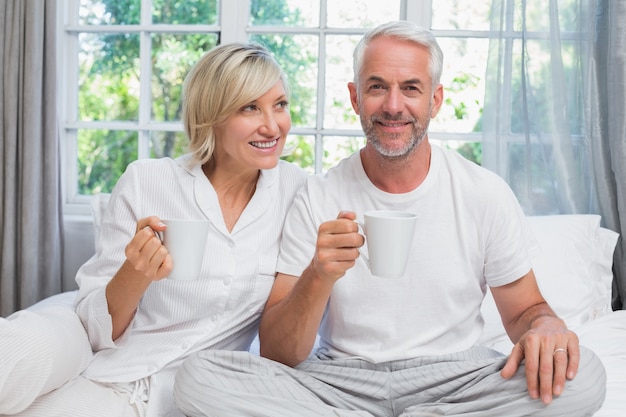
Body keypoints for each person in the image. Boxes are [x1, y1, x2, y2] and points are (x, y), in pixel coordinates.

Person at [173, 21, 607, 417]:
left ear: (435, 100)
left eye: (411, 88)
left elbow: (524, 311)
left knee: (583, 375)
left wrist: (546, 325)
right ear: (355, 97)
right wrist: (318, 275)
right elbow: (278, 352)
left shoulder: (482, 192)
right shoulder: (317, 195)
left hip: (454, 380)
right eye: (377, 87)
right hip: (338, 383)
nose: (393, 105)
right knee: (198, 378)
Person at [4, 42, 307, 417]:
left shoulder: (298, 193)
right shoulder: (147, 180)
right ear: (211, 115)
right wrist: (135, 271)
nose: (273, 125)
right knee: (16, 350)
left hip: (187, 389)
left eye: (280, 104)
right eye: (250, 107)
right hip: (108, 363)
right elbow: (96, 329)